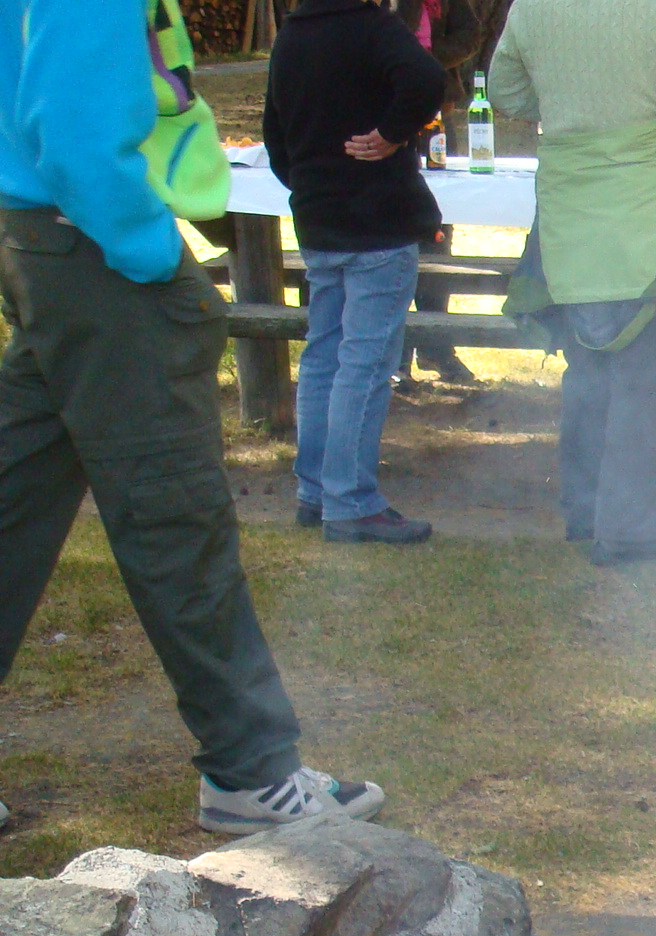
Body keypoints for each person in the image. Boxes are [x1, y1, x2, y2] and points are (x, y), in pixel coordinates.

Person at [0, 0, 385, 835]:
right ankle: (251, 771)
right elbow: (74, 128)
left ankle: (250, 766)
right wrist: (145, 249)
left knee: (12, 499)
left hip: (45, 238)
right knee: (176, 517)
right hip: (94, 246)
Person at [489, 0, 656, 565]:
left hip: (569, 204)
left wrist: (566, 106)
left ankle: (585, 514)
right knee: (641, 379)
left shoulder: (531, 7)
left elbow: (506, 93)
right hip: (645, 202)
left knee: (586, 373)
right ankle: (627, 530)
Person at [264, 0, 442, 546]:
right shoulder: (372, 27)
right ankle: (350, 500)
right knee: (364, 363)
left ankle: (316, 492)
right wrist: (392, 133)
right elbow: (427, 79)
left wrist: (313, 182)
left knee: (323, 358)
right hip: (377, 219)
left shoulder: (291, 36)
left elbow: (275, 136)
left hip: (320, 218)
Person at [395, 0, 484, 389]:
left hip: (437, 109)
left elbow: (470, 35)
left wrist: (427, 56)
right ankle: (397, 358)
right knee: (396, 236)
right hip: (387, 110)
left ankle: (435, 345)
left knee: (437, 232)